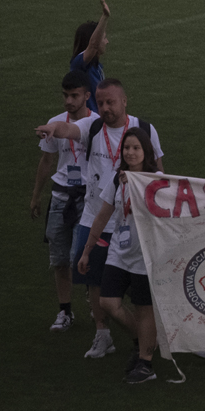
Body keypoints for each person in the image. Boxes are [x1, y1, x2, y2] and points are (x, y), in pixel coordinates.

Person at [34, 78, 164, 361]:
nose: (105, 108)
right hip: (94, 216)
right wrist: (52, 128)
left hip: (132, 220)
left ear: (125, 101)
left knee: (137, 283)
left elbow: (159, 175)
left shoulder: (143, 129)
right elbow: (66, 128)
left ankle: (146, 338)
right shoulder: (91, 127)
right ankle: (103, 333)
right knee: (93, 280)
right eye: (101, 103)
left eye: (111, 102)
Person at [77, 127, 161, 383]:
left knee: (143, 308)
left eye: (136, 148)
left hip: (145, 255)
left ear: (146, 151)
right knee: (108, 303)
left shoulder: (156, 179)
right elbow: (102, 214)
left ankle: (146, 364)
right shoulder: (116, 178)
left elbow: (163, 214)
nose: (131, 152)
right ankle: (143, 340)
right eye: (127, 148)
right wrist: (87, 251)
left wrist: (136, 186)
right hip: (119, 251)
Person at [30, 70, 94, 332]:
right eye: (65, 95)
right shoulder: (54, 121)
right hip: (61, 196)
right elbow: (47, 161)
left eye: (74, 96)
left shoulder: (97, 124)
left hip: (89, 199)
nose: (68, 101)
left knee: (84, 257)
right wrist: (36, 196)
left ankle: (96, 308)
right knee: (59, 259)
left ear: (86, 96)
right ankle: (65, 311)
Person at [69, 0, 110, 111]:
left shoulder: (96, 66)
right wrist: (104, 17)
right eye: (104, 38)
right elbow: (94, 44)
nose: (107, 42)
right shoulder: (79, 64)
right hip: (87, 125)